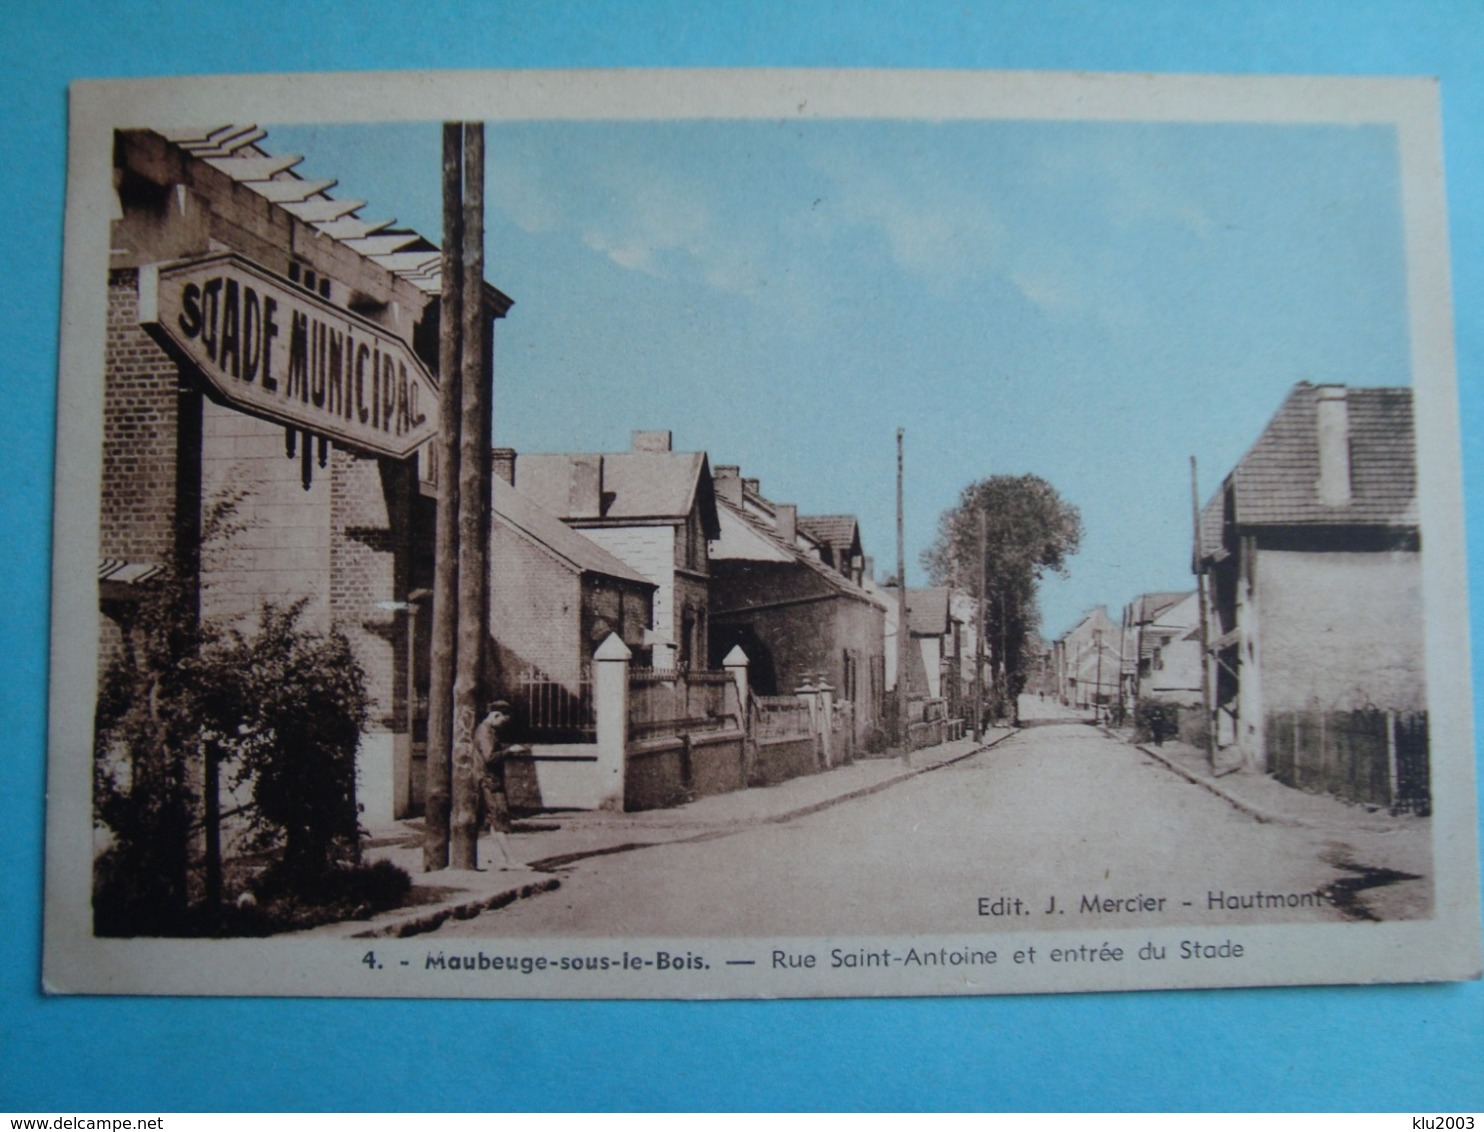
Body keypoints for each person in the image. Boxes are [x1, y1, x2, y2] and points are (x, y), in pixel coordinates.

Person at [474, 701, 521, 870]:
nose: (503, 725)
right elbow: (489, 757)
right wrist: (510, 751)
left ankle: (503, 858)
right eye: (502, 720)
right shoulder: (486, 732)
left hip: (488, 780)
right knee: (500, 819)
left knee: (495, 821)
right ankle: (511, 860)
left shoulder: (486, 730)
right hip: (491, 781)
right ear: (495, 715)